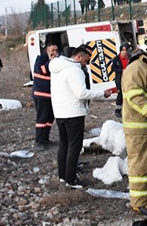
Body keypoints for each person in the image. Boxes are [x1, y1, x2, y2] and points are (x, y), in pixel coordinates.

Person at [50, 45, 111, 189]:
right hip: (73, 113)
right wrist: (102, 93)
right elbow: (81, 93)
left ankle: (62, 176)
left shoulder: (58, 68)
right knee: (74, 146)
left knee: (64, 144)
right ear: (78, 57)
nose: (86, 64)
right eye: (86, 60)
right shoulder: (75, 71)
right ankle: (71, 180)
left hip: (60, 112)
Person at [122, 34, 147, 215]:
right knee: (140, 166)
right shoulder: (136, 68)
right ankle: (139, 202)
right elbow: (135, 97)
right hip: (139, 128)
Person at [32, 42, 59, 151]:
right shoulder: (40, 59)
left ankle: (45, 139)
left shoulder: (56, 60)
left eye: (56, 50)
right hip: (41, 95)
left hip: (51, 95)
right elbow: (43, 70)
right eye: (52, 50)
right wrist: (51, 61)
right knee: (41, 119)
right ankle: (39, 141)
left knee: (49, 119)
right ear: (47, 50)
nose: (55, 53)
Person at [111, 44, 131, 118]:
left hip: (128, 79)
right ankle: (118, 111)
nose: (124, 52)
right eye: (123, 50)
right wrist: (121, 70)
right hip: (119, 80)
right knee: (120, 95)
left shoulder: (130, 58)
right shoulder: (116, 59)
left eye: (126, 50)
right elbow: (113, 69)